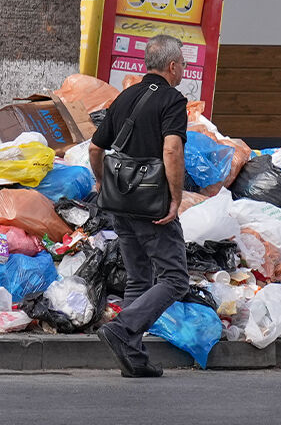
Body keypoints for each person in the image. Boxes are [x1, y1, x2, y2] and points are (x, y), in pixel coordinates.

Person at [89, 34, 190, 378]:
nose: (184, 71)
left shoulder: (125, 96)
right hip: (152, 205)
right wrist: (175, 198)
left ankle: (132, 356)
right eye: (183, 65)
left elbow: (94, 147)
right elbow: (172, 150)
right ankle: (124, 327)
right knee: (175, 278)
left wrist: (102, 181)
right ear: (172, 66)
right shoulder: (173, 101)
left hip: (119, 203)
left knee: (138, 279)